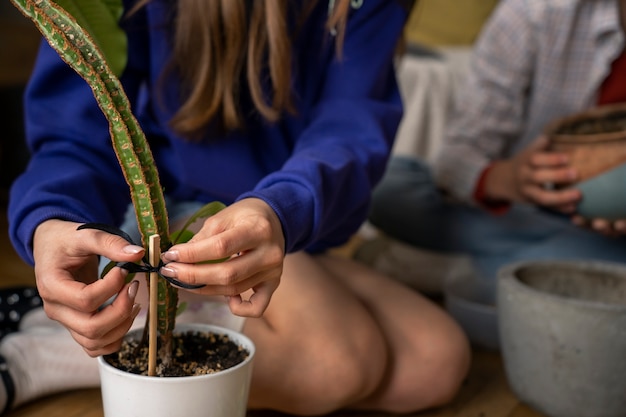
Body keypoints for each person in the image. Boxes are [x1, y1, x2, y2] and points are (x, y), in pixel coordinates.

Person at [1, 0, 471, 415]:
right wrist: (51, 219)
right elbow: (76, 131)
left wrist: (282, 210)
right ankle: (32, 361)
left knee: (435, 361)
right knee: (334, 361)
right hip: (167, 220)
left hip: (283, 226)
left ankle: (56, 324)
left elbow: (351, 129)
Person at [367, 0, 626, 297]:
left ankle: (461, 274)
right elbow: (458, 158)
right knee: (384, 185)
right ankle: (530, 279)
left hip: (608, 240)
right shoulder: (535, 12)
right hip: (517, 212)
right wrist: (509, 179)